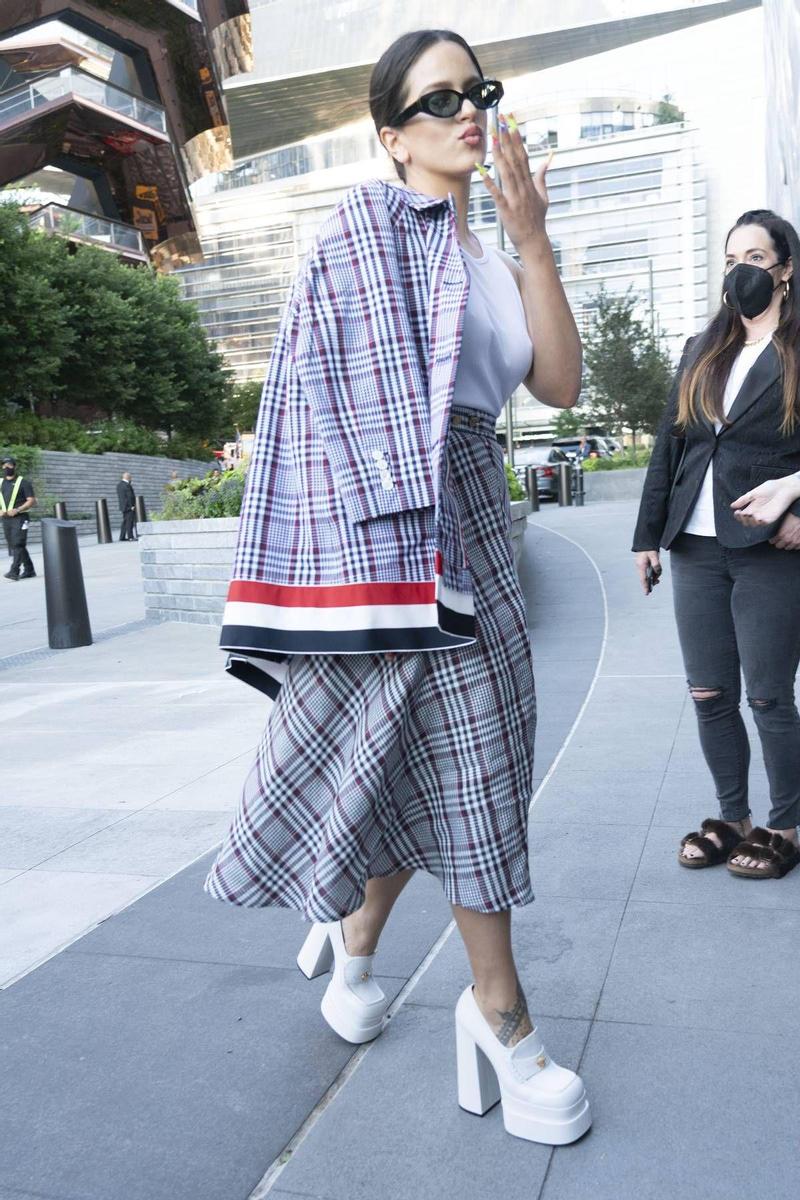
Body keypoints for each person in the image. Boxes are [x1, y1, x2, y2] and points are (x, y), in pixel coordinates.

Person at [204, 29, 591, 1146]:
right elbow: (316, 398)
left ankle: (356, 950)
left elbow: (558, 385)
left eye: (477, 91)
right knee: (468, 765)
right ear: (389, 136)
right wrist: (377, 539)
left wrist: (532, 240)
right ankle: (503, 1019)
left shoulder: (489, 254)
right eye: (436, 100)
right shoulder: (361, 234)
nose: (465, 111)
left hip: (477, 512)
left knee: (430, 765)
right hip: (393, 532)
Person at [633, 208, 800, 880]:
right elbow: (670, 444)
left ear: (785, 270)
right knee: (709, 693)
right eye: (733, 258)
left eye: (755, 258)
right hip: (694, 547)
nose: (741, 271)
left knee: (767, 696)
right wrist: (648, 536)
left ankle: (785, 823)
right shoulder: (703, 349)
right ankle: (734, 817)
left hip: (767, 547)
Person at [1, 454, 36, 581]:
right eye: (4, 465)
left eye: (9, 465)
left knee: (18, 543)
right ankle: (29, 569)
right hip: (6, 519)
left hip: (21, 518)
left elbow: (31, 500)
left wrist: (17, 509)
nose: (6, 467)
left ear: (14, 466)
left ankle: (14, 571)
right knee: (15, 545)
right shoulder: (0, 483)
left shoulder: (23, 482)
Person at [116, 472, 136, 541]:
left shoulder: (119, 485)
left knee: (125, 522)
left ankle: (122, 537)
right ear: (128, 477)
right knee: (129, 522)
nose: (131, 478)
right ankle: (130, 537)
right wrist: (132, 506)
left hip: (123, 506)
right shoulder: (127, 485)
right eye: (130, 477)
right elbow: (129, 497)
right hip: (128, 507)